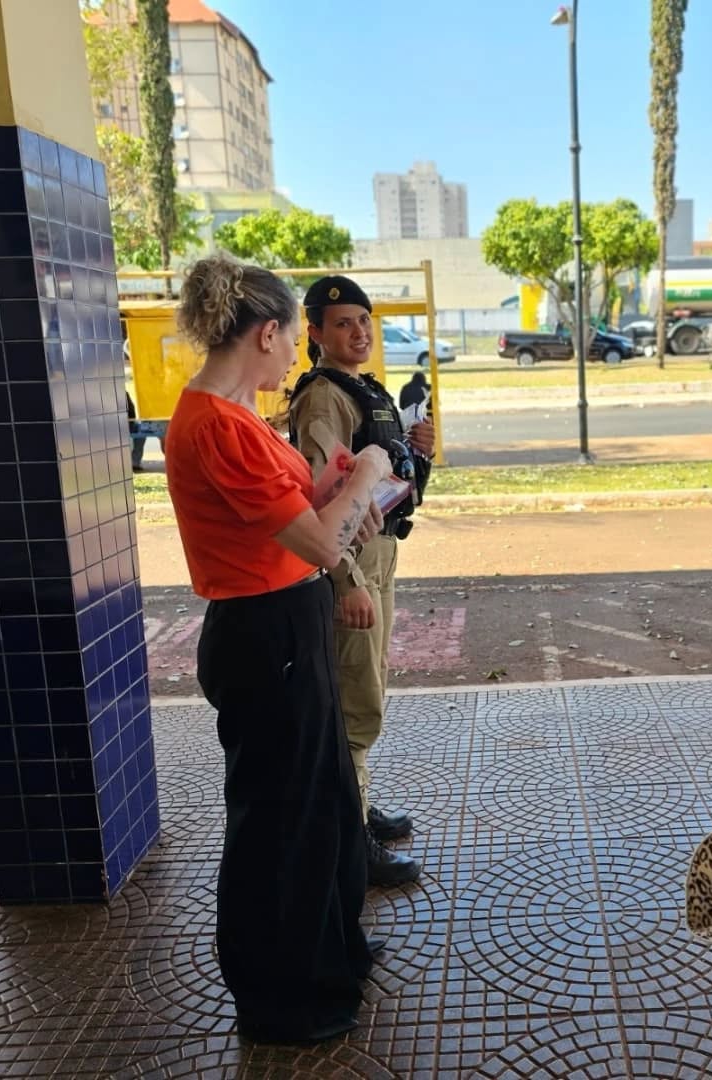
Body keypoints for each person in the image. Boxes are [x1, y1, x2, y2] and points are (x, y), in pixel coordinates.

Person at [165, 255, 392, 1045]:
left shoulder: (237, 419)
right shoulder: (216, 427)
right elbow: (323, 545)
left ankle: (329, 960)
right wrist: (366, 474)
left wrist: (338, 491)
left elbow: (298, 516)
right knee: (279, 824)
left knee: (321, 804)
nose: (296, 353)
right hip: (264, 636)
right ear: (265, 334)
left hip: (290, 623)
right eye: (294, 338)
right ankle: (282, 998)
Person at [286, 275, 435, 889]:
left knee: (366, 681)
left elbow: (384, 479)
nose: (359, 332)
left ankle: (358, 804)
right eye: (343, 323)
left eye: (364, 321)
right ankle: (351, 841)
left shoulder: (364, 389)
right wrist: (346, 578)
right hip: (351, 560)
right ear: (315, 333)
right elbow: (324, 500)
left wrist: (418, 453)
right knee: (355, 700)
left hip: (377, 553)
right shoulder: (324, 398)